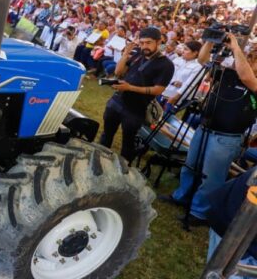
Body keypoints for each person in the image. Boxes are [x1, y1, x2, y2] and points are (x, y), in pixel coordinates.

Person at [161, 33, 257, 226]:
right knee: (191, 164)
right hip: (206, 127)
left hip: (227, 137)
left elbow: (247, 76)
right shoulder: (230, 73)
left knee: (212, 176)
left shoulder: (250, 80)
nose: (249, 61)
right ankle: (182, 196)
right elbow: (203, 60)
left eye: (254, 60)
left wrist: (236, 47)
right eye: (250, 57)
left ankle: (199, 211)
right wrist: (209, 40)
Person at [99, 27, 175, 161]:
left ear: (159, 42)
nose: (144, 46)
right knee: (106, 135)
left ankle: (124, 174)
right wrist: (125, 54)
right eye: (142, 43)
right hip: (117, 102)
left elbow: (158, 90)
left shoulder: (166, 65)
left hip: (136, 109)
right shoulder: (138, 54)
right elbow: (118, 72)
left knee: (128, 145)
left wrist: (130, 87)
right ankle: (99, 161)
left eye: (148, 42)